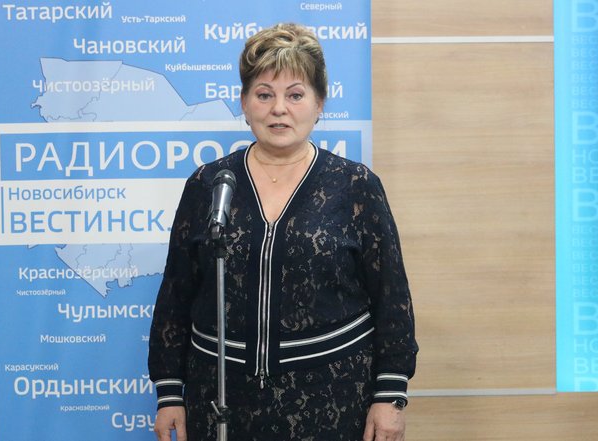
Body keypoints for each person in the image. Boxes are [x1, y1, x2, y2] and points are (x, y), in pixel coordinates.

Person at [149, 22, 418, 441]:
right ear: (244, 103)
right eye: (264, 95)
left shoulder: (355, 185)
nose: (279, 109)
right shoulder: (208, 184)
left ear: (319, 103)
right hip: (220, 398)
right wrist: (169, 394)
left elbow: (392, 298)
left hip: (331, 398)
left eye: (295, 95)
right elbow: (176, 296)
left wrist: (390, 395)